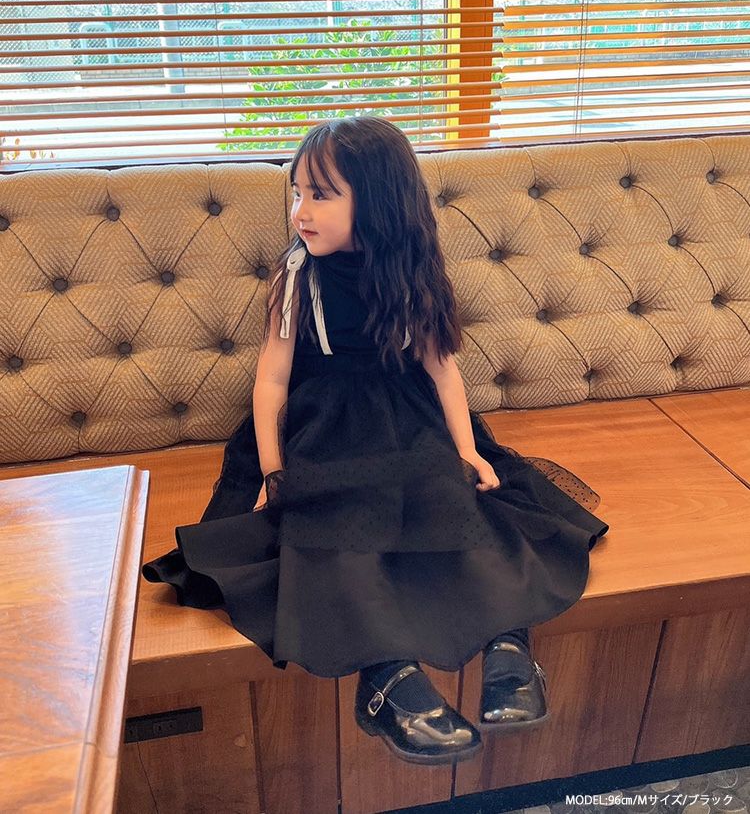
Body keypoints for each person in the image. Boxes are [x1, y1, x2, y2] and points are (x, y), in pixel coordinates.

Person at [142, 115, 610, 767]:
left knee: (463, 508)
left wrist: (468, 449)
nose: (301, 211)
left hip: (410, 417)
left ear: (378, 200)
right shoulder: (297, 276)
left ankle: (509, 646)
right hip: (324, 424)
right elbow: (272, 379)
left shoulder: (414, 272)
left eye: (321, 194)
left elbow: (442, 370)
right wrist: (272, 471)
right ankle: (387, 677)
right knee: (340, 533)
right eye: (298, 192)